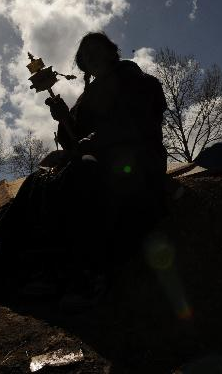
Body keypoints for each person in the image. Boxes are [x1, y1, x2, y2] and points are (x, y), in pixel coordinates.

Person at [45, 31, 168, 262]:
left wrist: (95, 142)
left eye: (96, 49)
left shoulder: (139, 81)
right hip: (94, 162)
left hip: (136, 163)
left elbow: (140, 124)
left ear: (112, 52)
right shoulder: (85, 99)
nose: (91, 56)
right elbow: (75, 140)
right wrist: (65, 120)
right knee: (41, 181)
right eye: (85, 54)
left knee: (84, 172)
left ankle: (93, 269)